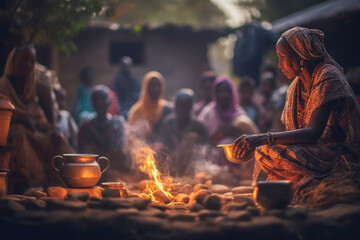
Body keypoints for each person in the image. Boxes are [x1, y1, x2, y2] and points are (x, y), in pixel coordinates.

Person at [232, 27, 360, 208]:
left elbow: (313, 133)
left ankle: (303, 183)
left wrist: (263, 137)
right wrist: (259, 143)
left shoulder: (328, 76)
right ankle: (295, 183)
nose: (279, 64)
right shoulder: (296, 86)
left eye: (283, 57)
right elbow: (292, 135)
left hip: (340, 156)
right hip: (316, 155)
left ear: (301, 54)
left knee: (271, 149)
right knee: (264, 150)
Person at [0, 44, 74, 193]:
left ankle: (68, 183)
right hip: (13, 134)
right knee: (18, 131)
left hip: (37, 131)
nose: (27, 64)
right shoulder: (3, 86)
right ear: (13, 61)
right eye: (23, 60)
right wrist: (20, 120)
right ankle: (34, 185)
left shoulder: (40, 87)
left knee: (57, 140)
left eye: (31, 61)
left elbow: (51, 118)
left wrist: (55, 131)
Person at [78, 85, 128, 173]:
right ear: (92, 103)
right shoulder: (86, 126)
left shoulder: (118, 124)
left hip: (116, 174)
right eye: (96, 99)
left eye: (103, 98)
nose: (99, 102)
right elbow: (81, 154)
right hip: (90, 173)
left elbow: (122, 152)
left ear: (110, 101)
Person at [159, 89, 209, 176]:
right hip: (171, 163)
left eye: (186, 106)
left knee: (192, 137)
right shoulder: (168, 123)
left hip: (192, 166)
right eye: (180, 106)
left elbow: (207, 148)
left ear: (191, 107)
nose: (182, 109)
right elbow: (163, 143)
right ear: (175, 107)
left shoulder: (198, 125)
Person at [198, 76, 259, 146]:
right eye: (221, 91)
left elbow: (255, 137)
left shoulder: (239, 114)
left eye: (227, 91)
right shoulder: (208, 113)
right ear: (215, 94)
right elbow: (201, 135)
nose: (225, 95)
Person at [127, 71, 173, 142]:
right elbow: (131, 136)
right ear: (145, 87)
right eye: (151, 85)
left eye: (158, 85)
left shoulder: (168, 109)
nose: (155, 89)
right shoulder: (137, 111)